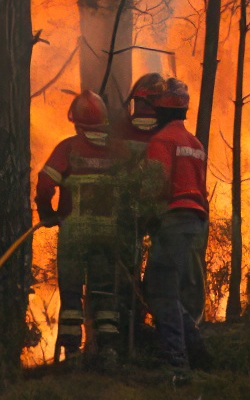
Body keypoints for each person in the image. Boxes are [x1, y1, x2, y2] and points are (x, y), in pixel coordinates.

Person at [35, 90, 127, 361]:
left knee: (72, 291)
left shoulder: (69, 148)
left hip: (74, 233)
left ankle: (72, 351)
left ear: (76, 120)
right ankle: (108, 347)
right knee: (104, 290)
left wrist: (47, 213)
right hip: (108, 234)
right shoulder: (119, 151)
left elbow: (44, 184)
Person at [137, 76, 211, 374]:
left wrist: (141, 216)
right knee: (166, 287)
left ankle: (175, 360)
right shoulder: (194, 143)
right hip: (196, 223)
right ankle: (198, 351)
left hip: (174, 220)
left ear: (162, 109)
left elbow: (156, 184)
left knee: (161, 289)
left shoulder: (162, 140)